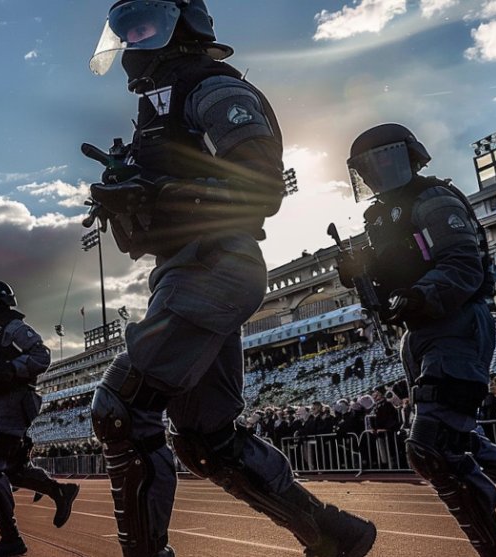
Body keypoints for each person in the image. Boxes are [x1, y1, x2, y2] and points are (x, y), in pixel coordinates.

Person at [86, 2, 376, 556]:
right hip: (187, 269)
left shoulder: (214, 89)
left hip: (214, 266)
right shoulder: (162, 105)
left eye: (145, 26)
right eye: (126, 32)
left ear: (184, 26)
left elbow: (261, 187)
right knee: (205, 440)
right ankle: (334, 534)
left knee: (121, 409)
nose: (134, 42)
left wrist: (158, 193)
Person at [340, 123, 496, 557]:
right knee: (448, 440)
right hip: (418, 332)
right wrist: (360, 275)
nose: (375, 175)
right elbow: (389, 278)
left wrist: (419, 294)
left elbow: (464, 264)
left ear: (410, 156)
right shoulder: (378, 217)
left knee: (431, 447)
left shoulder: (433, 200)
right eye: (365, 169)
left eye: (383, 161)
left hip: (454, 322)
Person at [0, 280, 79, 557]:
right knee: (13, 471)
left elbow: (42, 355)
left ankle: (11, 538)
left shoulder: (13, 328)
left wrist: (11, 369)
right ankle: (59, 491)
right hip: (4, 404)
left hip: (15, 402)